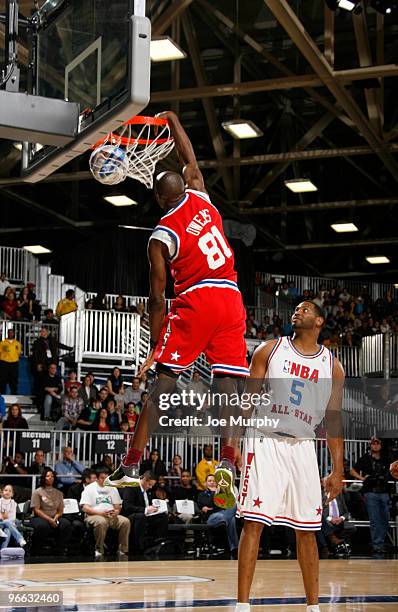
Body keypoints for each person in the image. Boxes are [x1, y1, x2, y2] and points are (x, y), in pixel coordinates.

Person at [105, 111, 248, 502]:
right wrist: (173, 121)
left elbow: (157, 294)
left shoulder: (161, 235)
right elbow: (190, 159)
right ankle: (228, 461)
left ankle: (132, 464)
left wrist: (156, 345)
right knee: (229, 387)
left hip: (198, 299)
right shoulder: (201, 195)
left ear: (157, 198)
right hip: (232, 297)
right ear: (182, 187)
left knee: (162, 385)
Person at [235, 301, 345, 612]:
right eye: (295, 309)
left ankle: (314, 607)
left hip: (303, 447)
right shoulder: (269, 350)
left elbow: (334, 419)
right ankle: (242, 605)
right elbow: (246, 402)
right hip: (265, 440)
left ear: (320, 321)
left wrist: (338, 470)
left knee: (308, 529)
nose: (297, 312)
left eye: (306, 309)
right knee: (253, 524)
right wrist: (233, 448)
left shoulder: (332, 365)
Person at [350, 437, 393, 554]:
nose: (375, 446)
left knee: (385, 519)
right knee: (374, 519)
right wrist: (362, 478)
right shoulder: (365, 459)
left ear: (380, 445)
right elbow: (352, 470)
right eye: (373, 444)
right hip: (371, 492)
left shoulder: (386, 459)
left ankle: (380, 543)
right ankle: (377, 545)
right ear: (370, 445)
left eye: (377, 443)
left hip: (384, 492)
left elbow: (393, 471)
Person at [80, 467, 130, 558]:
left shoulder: (112, 488)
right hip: (94, 515)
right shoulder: (89, 488)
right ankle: (99, 549)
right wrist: (100, 513)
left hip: (110, 515)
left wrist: (116, 512)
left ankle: (123, 550)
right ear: (97, 478)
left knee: (125, 521)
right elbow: (85, 508)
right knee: (101, 522)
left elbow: (117, 506)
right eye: (103, 478)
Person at [121, 471, 168, 554]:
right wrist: (145, 510)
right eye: (149, 484)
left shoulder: (146, 489)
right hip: (131, 515)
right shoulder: (131, 486)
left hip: (145, 514)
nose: (150, 487)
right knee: (141, 516)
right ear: (145, 480)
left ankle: (158, 542)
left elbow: (147, 504)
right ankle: (138, 547)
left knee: (163, 516)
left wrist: (154, 509)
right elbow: (127, 506)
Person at [30, 468, 73, 555]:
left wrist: (56, 517)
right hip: (40, 517)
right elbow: (36, 510)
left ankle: (60, 549)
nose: (50, 478)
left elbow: (60, 510)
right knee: (42, 526)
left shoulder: (59, 493)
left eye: (52, 476)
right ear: (43, 478)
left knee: (66, 524)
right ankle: (37, 550)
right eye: (48, 476)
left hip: (55, 516)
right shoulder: (37, 492)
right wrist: (50, 519)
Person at [198, 474, 238, 556]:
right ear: (205, 483)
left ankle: (234, 548)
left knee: (232, 516)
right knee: (228, 517)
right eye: (209, 481)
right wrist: (214, 493)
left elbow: (224, 505)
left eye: (214, 481)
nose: (212, 482)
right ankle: (234, 547)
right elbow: (208, 503)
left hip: (223, 514)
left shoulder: (222, 494)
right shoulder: (202, 494)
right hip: (211, 517)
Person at [0, 484, 26, 549]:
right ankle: (20, 539)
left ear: (12, 494)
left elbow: (13, 518)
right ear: (2, 492)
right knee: (7, 522)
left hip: (9, 525)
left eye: (10, 491)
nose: (7, 492)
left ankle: (2, 551)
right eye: (6, 490)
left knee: (7, 530)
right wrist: (3, 518)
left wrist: (4, 518)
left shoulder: (13, 503)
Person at [0, 329, 22, 394]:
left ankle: (14, 392)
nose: (11, 334)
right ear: (7, 333)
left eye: (12, 332)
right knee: (2, 378)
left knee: (14, 379)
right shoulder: (2, 343)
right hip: (4, 362)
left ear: (14, 334)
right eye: (9, 332)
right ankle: (2, 393)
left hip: (14, 363)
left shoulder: (17, 343)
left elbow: (19, 353)